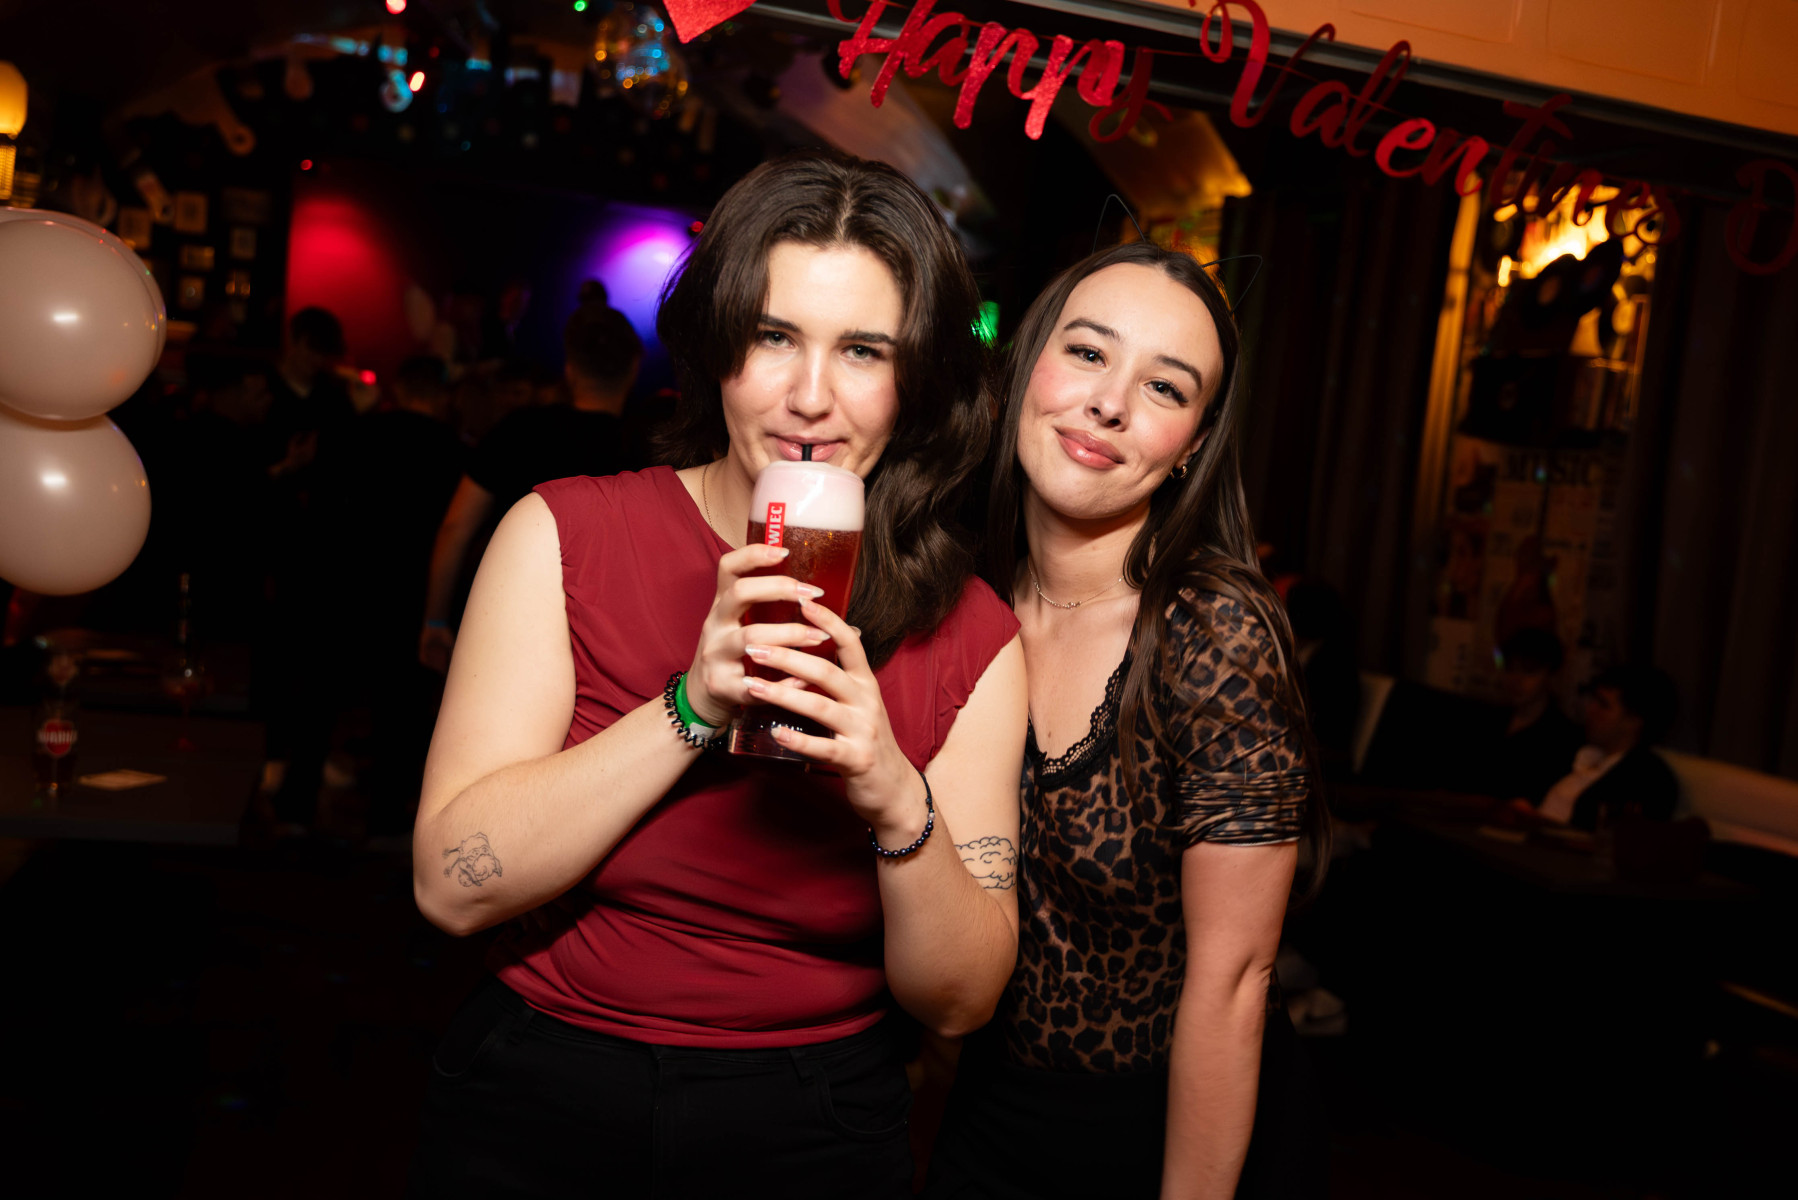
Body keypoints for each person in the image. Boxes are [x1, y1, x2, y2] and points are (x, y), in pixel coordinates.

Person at [408, 149, 1027, 1197]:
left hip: (814, 1116)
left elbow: (959, 1003)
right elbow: (449, 887)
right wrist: (692, 703)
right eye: (773, 336)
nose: (810, 397)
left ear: (916, 381)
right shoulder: (564, 534)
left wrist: (892, 795)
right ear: (716, 346)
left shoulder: (972, 634)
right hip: (544, 1081)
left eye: (863, 350)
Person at [927, 241, 1331, 1199]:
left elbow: (1235, 980)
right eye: (1088, 352)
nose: (1110, 403)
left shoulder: (1213, 634)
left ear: (1192, 443)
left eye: (1164, 387)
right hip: (985, 1109)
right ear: (1026, 366)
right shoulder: (956, 591)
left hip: (1164, 1128)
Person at [420, 291, 644, 673]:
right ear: (634, 368)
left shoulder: (519, 430)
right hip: (607, 646)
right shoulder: (649, 449)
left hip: (508, 626)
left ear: (570, 369)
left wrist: (436, 620)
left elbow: (456, 527)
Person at [327, 356, 465, 834]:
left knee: (341, 696)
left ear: (400, 389)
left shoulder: (361, 435)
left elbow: (334, 509)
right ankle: (389, 812)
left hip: (358, 583)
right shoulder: (453, 448)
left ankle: (308, 806)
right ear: (440, 395)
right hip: (418, 590)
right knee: (404, 706)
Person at [1532, 663, 1679, 830]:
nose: (1590, 709)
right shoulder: (1575, 750)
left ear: (1633, 721)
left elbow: (1609, 836)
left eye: (1603, 705)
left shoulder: (1648, 778)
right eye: (1594, 700)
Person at [1477, 627, 1583, 805]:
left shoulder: (1563, 737)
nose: (1516, 680)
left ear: (1550, 675)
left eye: (1529, 672)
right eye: (1510, 669)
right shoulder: (1487, 719)